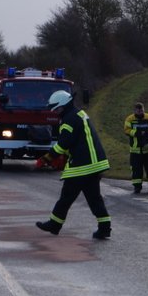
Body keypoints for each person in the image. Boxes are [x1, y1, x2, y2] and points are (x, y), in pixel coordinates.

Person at [35, 90, 113, 239]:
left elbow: (63, 144)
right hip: (95, 163)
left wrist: (46, 158)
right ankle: (105, 227)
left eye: (56, 109)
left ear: (63, 106)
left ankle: (54, 224)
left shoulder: (68, 121)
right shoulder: (79, 114)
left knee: (66, 197)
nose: (56, 112)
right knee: (94, 198)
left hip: (82, 166)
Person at [123, 102, 148, 194]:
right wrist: (137, 133)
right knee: (136, 170)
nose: (140, 112)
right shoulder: (130, 119)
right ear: (135, 110)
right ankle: (137, 187)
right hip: (135, 150)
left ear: (144, 109)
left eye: (142, 110)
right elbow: (126, 130)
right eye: (138, 111)